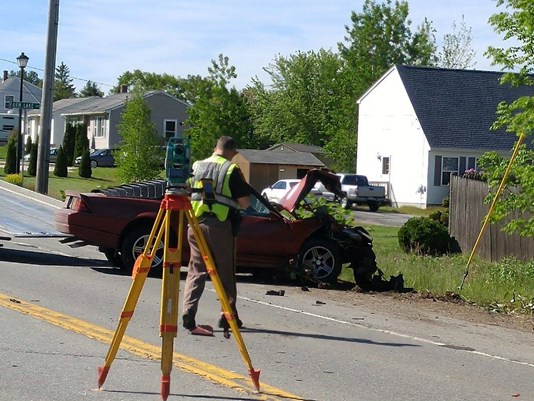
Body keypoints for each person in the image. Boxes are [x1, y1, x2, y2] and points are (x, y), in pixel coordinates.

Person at [182, 136, 251, 335]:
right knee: (225, 271)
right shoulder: (231, 169)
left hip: (195, 224)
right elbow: (245, 203)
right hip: (220, 225)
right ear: (233, 151)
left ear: (215, 148)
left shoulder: (197, 165)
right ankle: (227, 315)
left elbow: (186, 189)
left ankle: (189, 311)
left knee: (196, 270)